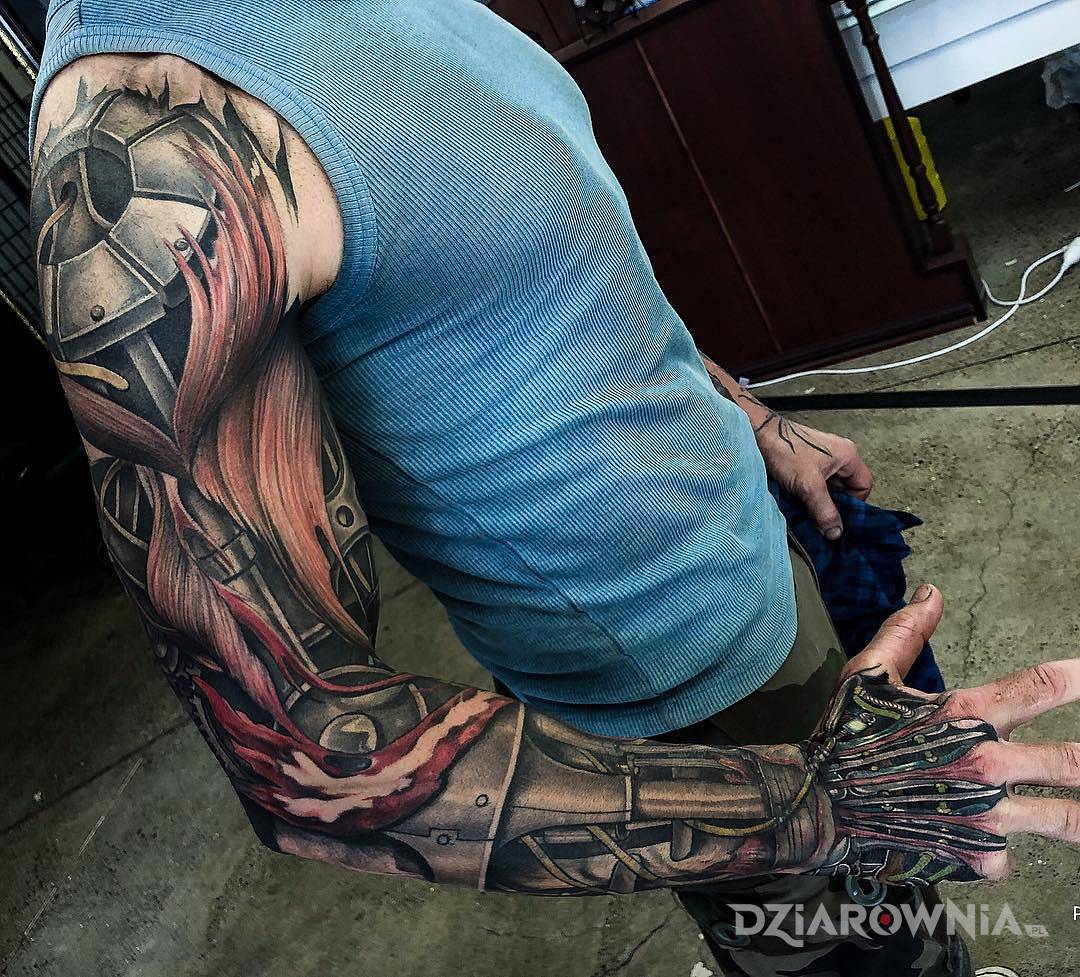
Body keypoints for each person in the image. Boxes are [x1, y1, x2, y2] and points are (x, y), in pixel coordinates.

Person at [27, 3, 1080, 975]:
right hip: (675, 677)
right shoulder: (145, 145)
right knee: (843, 937)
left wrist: (752, 422)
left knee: (894, 894)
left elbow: (550, 270)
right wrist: (825, 803)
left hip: (748, 542)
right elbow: (304, 750)